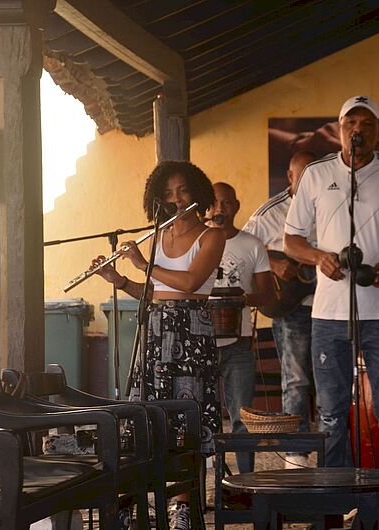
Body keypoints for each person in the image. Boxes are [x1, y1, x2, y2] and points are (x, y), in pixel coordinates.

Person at [284, 95, 379, 528]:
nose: (357, 130)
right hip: (329, 313)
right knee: (331, 413)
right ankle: (335, 500)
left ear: (378, 132)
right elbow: (292, 239)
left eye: (366, 123)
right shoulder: (316, 174)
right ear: (339, 128)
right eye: (350, 122)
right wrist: (319, 257)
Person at [90, 160, 225, 530]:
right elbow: (153, 292)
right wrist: (119, 279)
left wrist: (141, 263)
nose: (176, 199)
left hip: (191, 332)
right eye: (167, 194)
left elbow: (190, 282)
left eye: (182, 191)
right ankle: (130, 503)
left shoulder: (212, 236)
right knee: (145, 417)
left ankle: (182, 507)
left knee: (187, 419)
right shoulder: (157, 236)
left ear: (197, 192)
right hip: (155, 330)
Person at [243, 150, 318, 468]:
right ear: (290, 177)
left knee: (332, 380)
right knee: (297, 379)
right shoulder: (268, 214)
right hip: (291, 306)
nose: (310, 182)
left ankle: (334, 452)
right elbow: (242, 249)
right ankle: (296, 455)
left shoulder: (332, 205)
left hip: (332, 306)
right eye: (303, 176)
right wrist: (273, 263)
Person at [207, 182, 274, 473]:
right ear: (205, 208)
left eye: (226, 203)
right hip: (202, 344)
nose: (219, 209)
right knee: (203, 419)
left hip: (240, 343)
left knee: (242, 419)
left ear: (236, 206)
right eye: (214, 203)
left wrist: (242, 299)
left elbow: (268, 295)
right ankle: (208, 481)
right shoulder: (197, 242)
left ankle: (246, 482)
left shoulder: (252, 244)